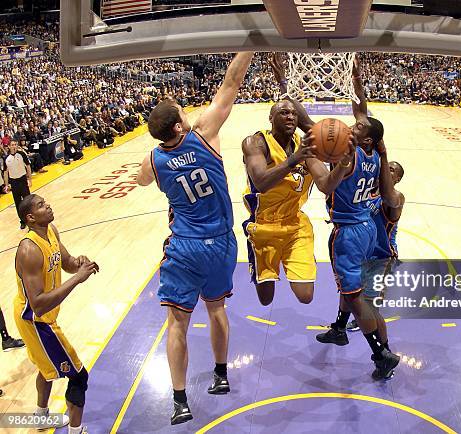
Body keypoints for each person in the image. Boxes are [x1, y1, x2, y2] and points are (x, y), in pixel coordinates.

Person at [136, 52, 254, 425]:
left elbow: (141, 181)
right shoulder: (204, 134)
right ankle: (220, 376)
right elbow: (231, 84)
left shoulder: (153, 160)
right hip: (218, 242)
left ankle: (180, 401)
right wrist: (250, 43)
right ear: (179, 125)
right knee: (217, 310)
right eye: (180, 110)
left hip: (184, 246)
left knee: (177, 324)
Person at [313, 57, 403, 379]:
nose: (354, 125)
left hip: (350, 233)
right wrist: (355, 78)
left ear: (366, 139)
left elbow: (326, 185)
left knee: (357, 299)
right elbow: (361, 110)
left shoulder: (351, 159)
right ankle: (340, 329)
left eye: (360, 128)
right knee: (361, 296)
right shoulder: (375, 159)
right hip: (368, 231)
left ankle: (380, 354)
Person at [241, 55, 355, 307]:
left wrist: (344, 163)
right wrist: (293, 160)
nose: (291, 117)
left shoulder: (306, 147)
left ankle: (290, 257)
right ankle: (263, 261)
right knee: (265, 300)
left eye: (293, 114)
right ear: (271, 119)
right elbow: (260, 182)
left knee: (305, 297)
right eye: (283, 113)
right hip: (263, 226)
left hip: (294, 223)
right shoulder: (256, 142)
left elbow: (326, 185)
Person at [14, 194, 99, 433]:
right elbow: (38, 304)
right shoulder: (29, 249)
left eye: (46, 201)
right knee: (79, 376)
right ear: (30, 218)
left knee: (46, 369)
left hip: (44, 316)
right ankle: (76, 430)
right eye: (41, 205)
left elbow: (67, 262)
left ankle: (40, 417)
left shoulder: (51, 230)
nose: (48, 204)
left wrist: (80, 264)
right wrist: (76, 280)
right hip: (35, 319)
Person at [345, 160, 405, 334]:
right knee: (355, 291)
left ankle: (380, 341)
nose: (386, 170)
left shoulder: (396, 197)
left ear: (398, 179)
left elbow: (391, 200)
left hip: (383, 256)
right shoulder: (367, 193)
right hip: (363, 251)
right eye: (386, 168)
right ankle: (352, 323)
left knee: (372, 299)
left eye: (391, 170)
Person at [2, 139, 32, 229]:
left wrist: (30, 179)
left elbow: (28, 166)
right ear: (9, 146)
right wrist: (6, 185)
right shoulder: (6, 158)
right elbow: (5, 172)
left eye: (15, 144)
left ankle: (31, 220)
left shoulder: (22, 154)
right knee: (18, 202)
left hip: (22, 180)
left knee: (27, 201)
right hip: (14, 182)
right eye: (12, 145)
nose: (14, 146)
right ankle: (22, 221)